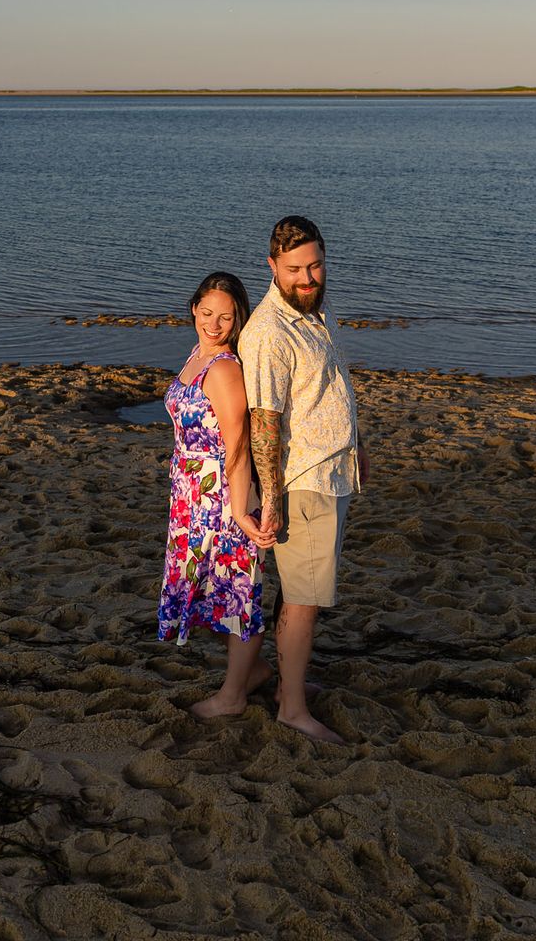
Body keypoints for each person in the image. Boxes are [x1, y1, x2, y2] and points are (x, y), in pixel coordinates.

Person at [242, 215, 367, 744]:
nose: (307, 277)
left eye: (315, 265)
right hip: (303, 479)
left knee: (297, 593)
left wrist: (356, 446)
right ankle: (292, 708)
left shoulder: (312, 310)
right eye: (295, 269)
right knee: (303, 599)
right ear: (273, 267)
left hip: (331, 470)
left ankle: (281, 683)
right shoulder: (270, 333)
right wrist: (270, 499)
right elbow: (265, 423)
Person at [156, 271, 277, 719]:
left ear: (237, 320)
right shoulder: (197, 354)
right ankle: (255, 672)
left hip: (222, 499)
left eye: (226, 318)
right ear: (193, 308)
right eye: (207, 313)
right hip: (192, 497)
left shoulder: (224, 369)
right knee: (201, 592)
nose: (214, 324)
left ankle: (233, 696)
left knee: (233, 594)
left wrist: (241, 510)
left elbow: (239, 444)